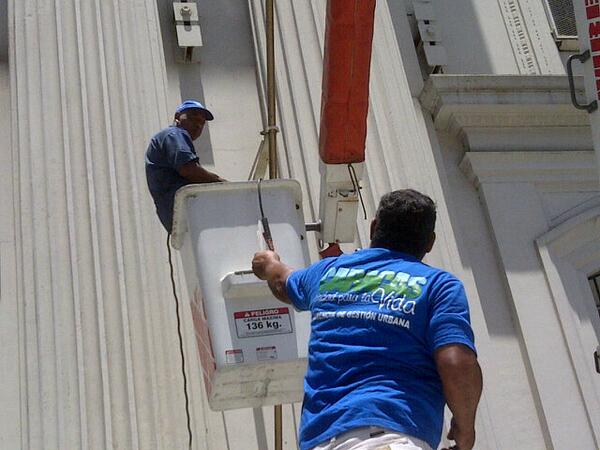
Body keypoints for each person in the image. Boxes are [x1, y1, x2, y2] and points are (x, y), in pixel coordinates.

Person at [252, 189, 482, 450]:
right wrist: (465, 429)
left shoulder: (329, 272)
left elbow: (283, 282)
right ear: (429, 242)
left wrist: (268, 264)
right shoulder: (439, 286)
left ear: (374, 228)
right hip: (389, 435)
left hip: (322, 440)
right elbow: (456, 362)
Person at [145, 99, 225, 232]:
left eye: (202, 122)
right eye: (193, 117)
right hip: (184, 208)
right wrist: (220, 182)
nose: (198, 124)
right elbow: (188, 169)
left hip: (174, 212)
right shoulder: (175, 134)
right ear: (177, 117)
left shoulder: (169, 137)